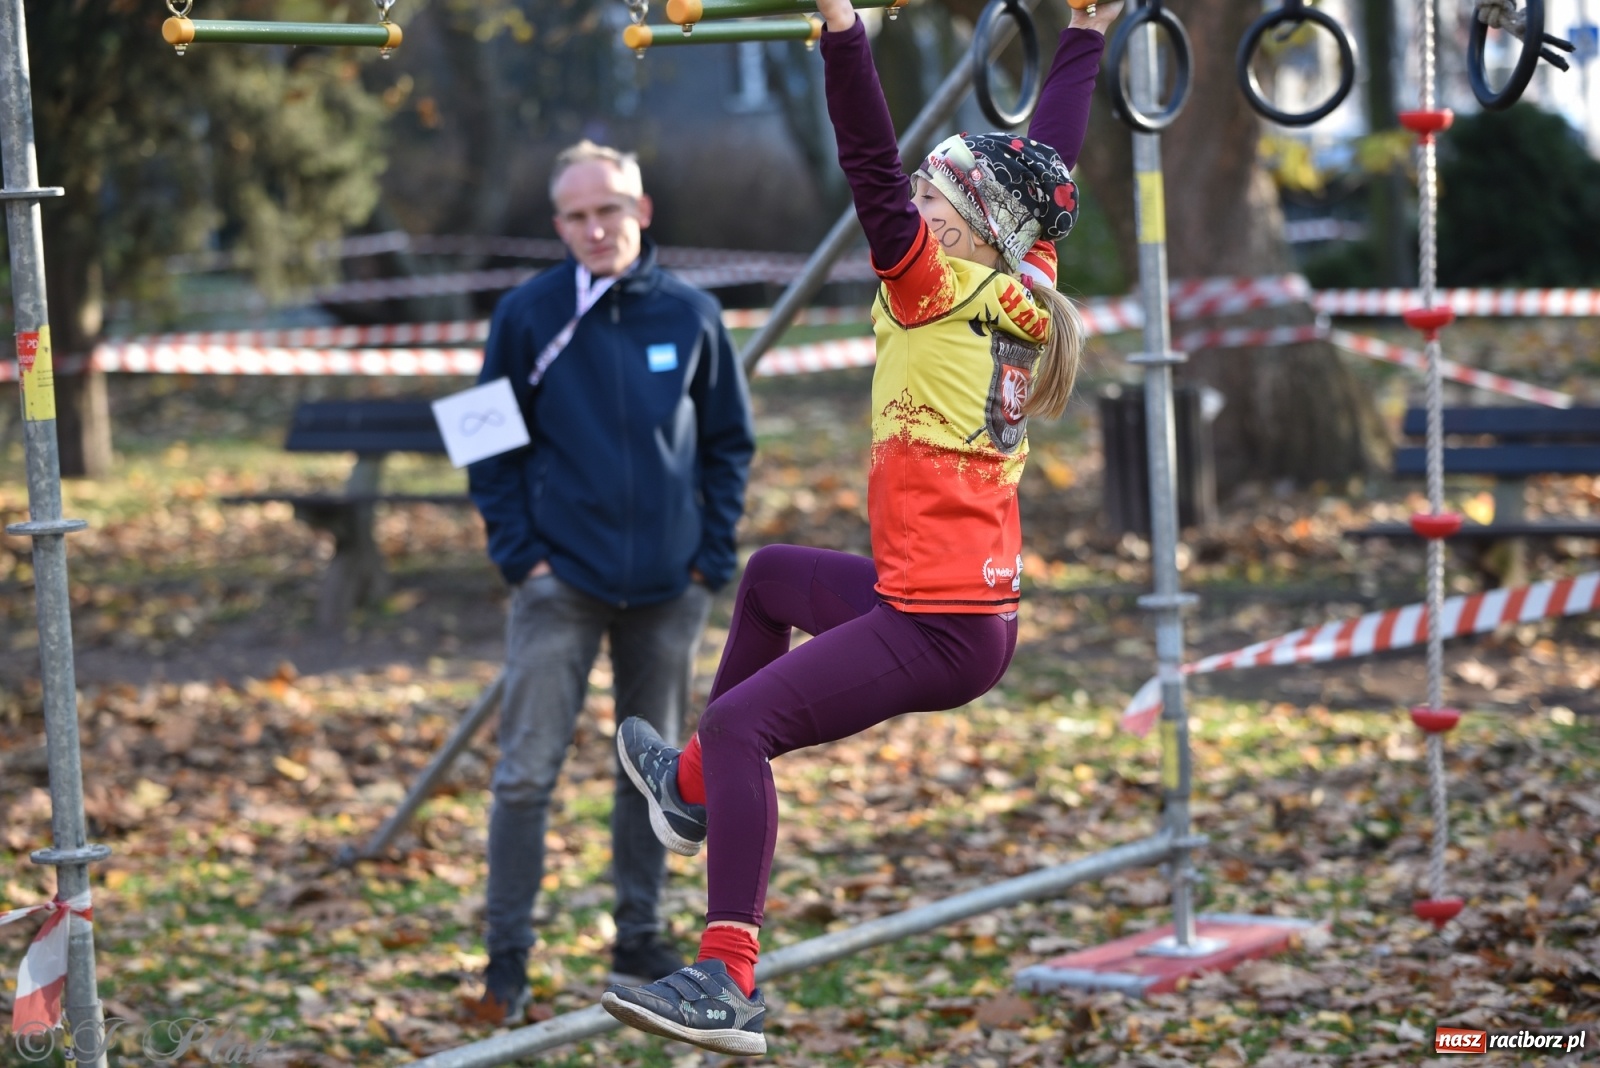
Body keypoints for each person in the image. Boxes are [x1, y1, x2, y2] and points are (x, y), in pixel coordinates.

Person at [598, 0, 1123, 1055]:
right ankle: (694, 793)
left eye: (936, 195)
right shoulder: (1023, 279)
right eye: (924, 193)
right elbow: (1046, 168)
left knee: (745, 725)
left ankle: (727, 979)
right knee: (773, 580)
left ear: (966, 223)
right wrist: (1083, 35)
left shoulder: (932, 285)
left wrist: (841, 29)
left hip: (932, 622)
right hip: (948, 605)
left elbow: (868, 162)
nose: (914, 201)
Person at [467, 139, 756, 1024]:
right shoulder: (525, 315)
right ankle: (505, 963)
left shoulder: (694, 316)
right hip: (561, 584)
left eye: (612, 210)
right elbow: (482, 438)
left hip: (670, 591)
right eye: (579, 216)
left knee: (657, 777)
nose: (597, 228)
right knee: (525, 774)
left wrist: (710, 559)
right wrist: (523, 558)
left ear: (643, 210)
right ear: (558, 225)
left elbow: (728, 445)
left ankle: (641, 934)